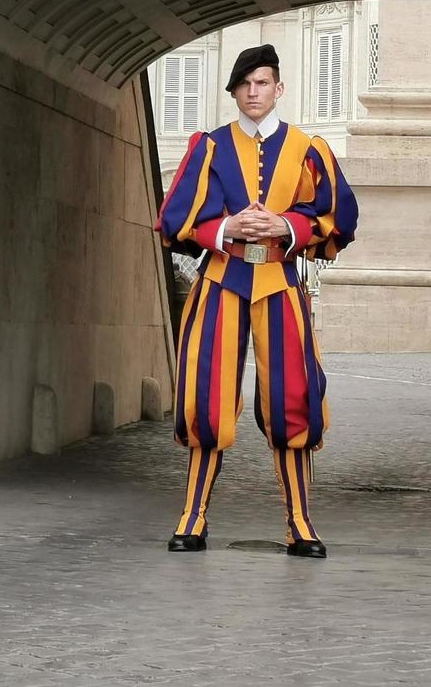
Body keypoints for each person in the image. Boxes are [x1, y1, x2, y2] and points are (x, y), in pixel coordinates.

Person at [155, 44, 357, 558]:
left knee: (295, 400)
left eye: (262, 82)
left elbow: (339, 217)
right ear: (234, 93)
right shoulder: (208, 147)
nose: (253, 92)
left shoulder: (308, 149)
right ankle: (192, 517)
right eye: (244, 84)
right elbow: (173, 220)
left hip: (280, 283)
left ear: (278, 88)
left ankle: (300, 523)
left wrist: (286, 225)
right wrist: (225, 227)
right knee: (205, 400)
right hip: (220, 280)